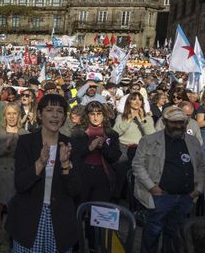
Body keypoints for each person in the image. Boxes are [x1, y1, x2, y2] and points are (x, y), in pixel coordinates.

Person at [6, 94, 80, 253]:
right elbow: (20, 184)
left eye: (60, 111)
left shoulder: (70, 145)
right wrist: (40, 162)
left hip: (59, 220)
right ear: (39, 114)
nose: (55, 115)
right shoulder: (26, 142)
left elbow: (76, 190)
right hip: (29, 219)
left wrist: (66, 165)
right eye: (49, 110)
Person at [132, 106, 205, 253]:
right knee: (152, 234)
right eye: (174, 122)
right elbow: (137, 165)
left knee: (176, 237)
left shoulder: (193, 141)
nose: (178, 126)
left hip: (186, 197)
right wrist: (152, 187)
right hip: (160, 197)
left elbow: (201, 166)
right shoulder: (149, 140)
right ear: (165, 122)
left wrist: (198, 189)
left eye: (182, 122)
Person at [0, 103, 28, 253]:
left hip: (15, 174)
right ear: (4, 116)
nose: (11, 116)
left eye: (14, 113)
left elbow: (27, 157)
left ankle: (13, 240)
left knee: (14, 209)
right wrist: (5, 145)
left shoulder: (24, 133)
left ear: (18, 115)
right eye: (8, 114)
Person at [71, 101, 121, 203]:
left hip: (103, 174)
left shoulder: (111, 134)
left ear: (103, 115)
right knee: (80, 207)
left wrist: (103, 147)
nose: (95, 117)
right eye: (92, 114)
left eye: (99, 114)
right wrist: (89, 148)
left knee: (98, 210)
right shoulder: (78, 132)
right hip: (82, 174)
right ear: (87, 115)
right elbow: (74, 154)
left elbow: (115, 157)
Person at [112, 92, 155, 200]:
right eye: (134, 99)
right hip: (124, 148)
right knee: (120, 175)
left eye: (139, 99)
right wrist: (129, 118)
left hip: (140, 149)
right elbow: (116, 132)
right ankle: (116, 199)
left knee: (138, 176)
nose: (137, 102)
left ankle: (133, 199)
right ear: (129, 101)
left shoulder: (147, 118)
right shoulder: (122, 116)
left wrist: (142, 120)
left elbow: (151, 135)